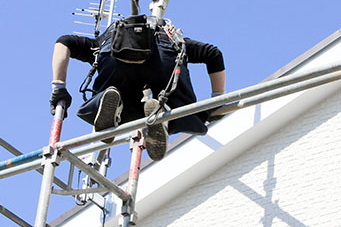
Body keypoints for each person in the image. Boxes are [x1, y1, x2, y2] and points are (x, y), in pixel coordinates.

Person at [49, 12, 225, 161]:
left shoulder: (102, 41)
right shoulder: (172, 37)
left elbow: (63, 41)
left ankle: (111, 102)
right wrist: (217, 101)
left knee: (116, 98)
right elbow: (213, 54)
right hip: (164, 53)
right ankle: (165, 113)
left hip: (114, 53)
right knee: (182, 110)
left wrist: (59, 87)